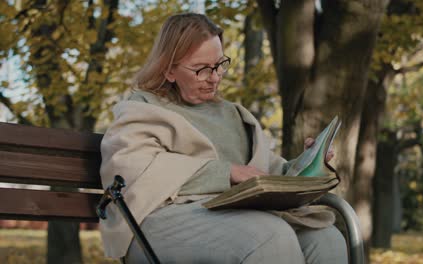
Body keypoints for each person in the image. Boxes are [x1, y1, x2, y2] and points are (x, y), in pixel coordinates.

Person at [99, 13, 348, 263]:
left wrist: (308, 163)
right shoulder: (143, 108)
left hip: (236, 215)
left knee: (326, 238)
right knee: (270, 237)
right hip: (158, 223)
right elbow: (131, 170)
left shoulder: (231, 114)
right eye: (202, 69)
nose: (216, 77)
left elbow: (265, 172)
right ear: (169, 70)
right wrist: (226, 173)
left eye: (219, 65)